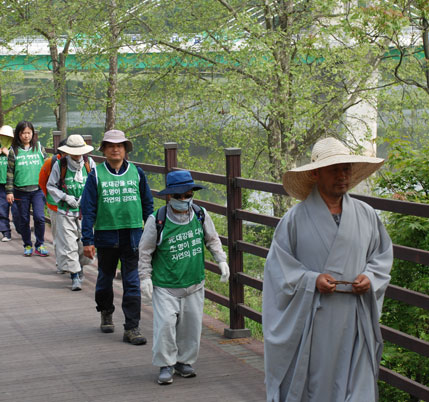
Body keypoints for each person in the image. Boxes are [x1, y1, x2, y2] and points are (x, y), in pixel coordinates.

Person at [262, 137, 393, 402]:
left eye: (346, 169)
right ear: (315, 173)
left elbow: (381, 256)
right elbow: (279, 270)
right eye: (334, 169)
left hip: (355, 317)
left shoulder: (367, 214)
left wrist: (370, 277)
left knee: (356, 385)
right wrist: (311, 280)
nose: (342, 176)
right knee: (316, 384)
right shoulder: (294, 220)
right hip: (314, 318)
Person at [138, 170, 230, 385]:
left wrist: (221, 260)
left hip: (194, 282)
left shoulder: (200, 214)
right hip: (166, 284)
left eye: (187, 195)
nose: (183, 200)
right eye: (178, 196)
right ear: (170, 196)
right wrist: (145, 278)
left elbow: (213, 239)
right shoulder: (157, 220)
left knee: (191, 326)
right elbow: (145, 251)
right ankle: (165, 364)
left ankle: (184, 361)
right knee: (165, 326)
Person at [81, 129, 153, 345]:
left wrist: (152, 234)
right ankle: (105, 311)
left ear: (125, 149)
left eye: (119, 145)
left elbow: (148, 205)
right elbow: (88, 208)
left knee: (132, 281)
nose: (115, 149)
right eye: (111, 145)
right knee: (105, 278)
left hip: (133, 235)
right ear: (104, 150)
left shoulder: (137, 173)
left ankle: (132, 327)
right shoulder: (96, 175)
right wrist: (87, 240)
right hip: (106, 235)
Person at [47, 135, 96, 291]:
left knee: (83, 243)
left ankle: (79, 266)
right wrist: (66, 197)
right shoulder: (60, 165)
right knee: (68, 244)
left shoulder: (89, 164)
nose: (77, 155)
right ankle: (74, 275)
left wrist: (85, 197)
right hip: (65, 211)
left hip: (85, 211)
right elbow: (51, 186)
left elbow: (95, 183)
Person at [5, 121, 48, 257]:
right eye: (23, 133)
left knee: (40, 218)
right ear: (18, 134)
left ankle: (40, 244)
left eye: (29, 132)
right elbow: (10, 172)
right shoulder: (13, 151)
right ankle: (27, 244)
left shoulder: (39, 148)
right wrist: (9, 192)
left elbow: (48, 167)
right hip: (20, 191)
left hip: (38, 190)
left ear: (33, 133)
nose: (26, 136)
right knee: (23, 219)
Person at [39, 138, 67, 273]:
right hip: (55, 206)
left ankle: (73, 263)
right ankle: (61, 263)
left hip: (76, 207)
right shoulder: (51, 162)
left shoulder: (84, 163)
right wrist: (51, 198)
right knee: (58, 235)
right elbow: (43, 182)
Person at [0, 125, 18, 242]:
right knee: (0, 209)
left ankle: (20, 228)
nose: (3, 139)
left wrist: (7, 154)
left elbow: (19, 165)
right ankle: (5, 232)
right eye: (1, 137)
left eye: (6, 137)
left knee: (17, 210)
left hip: (13, 184)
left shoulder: (15, 150)